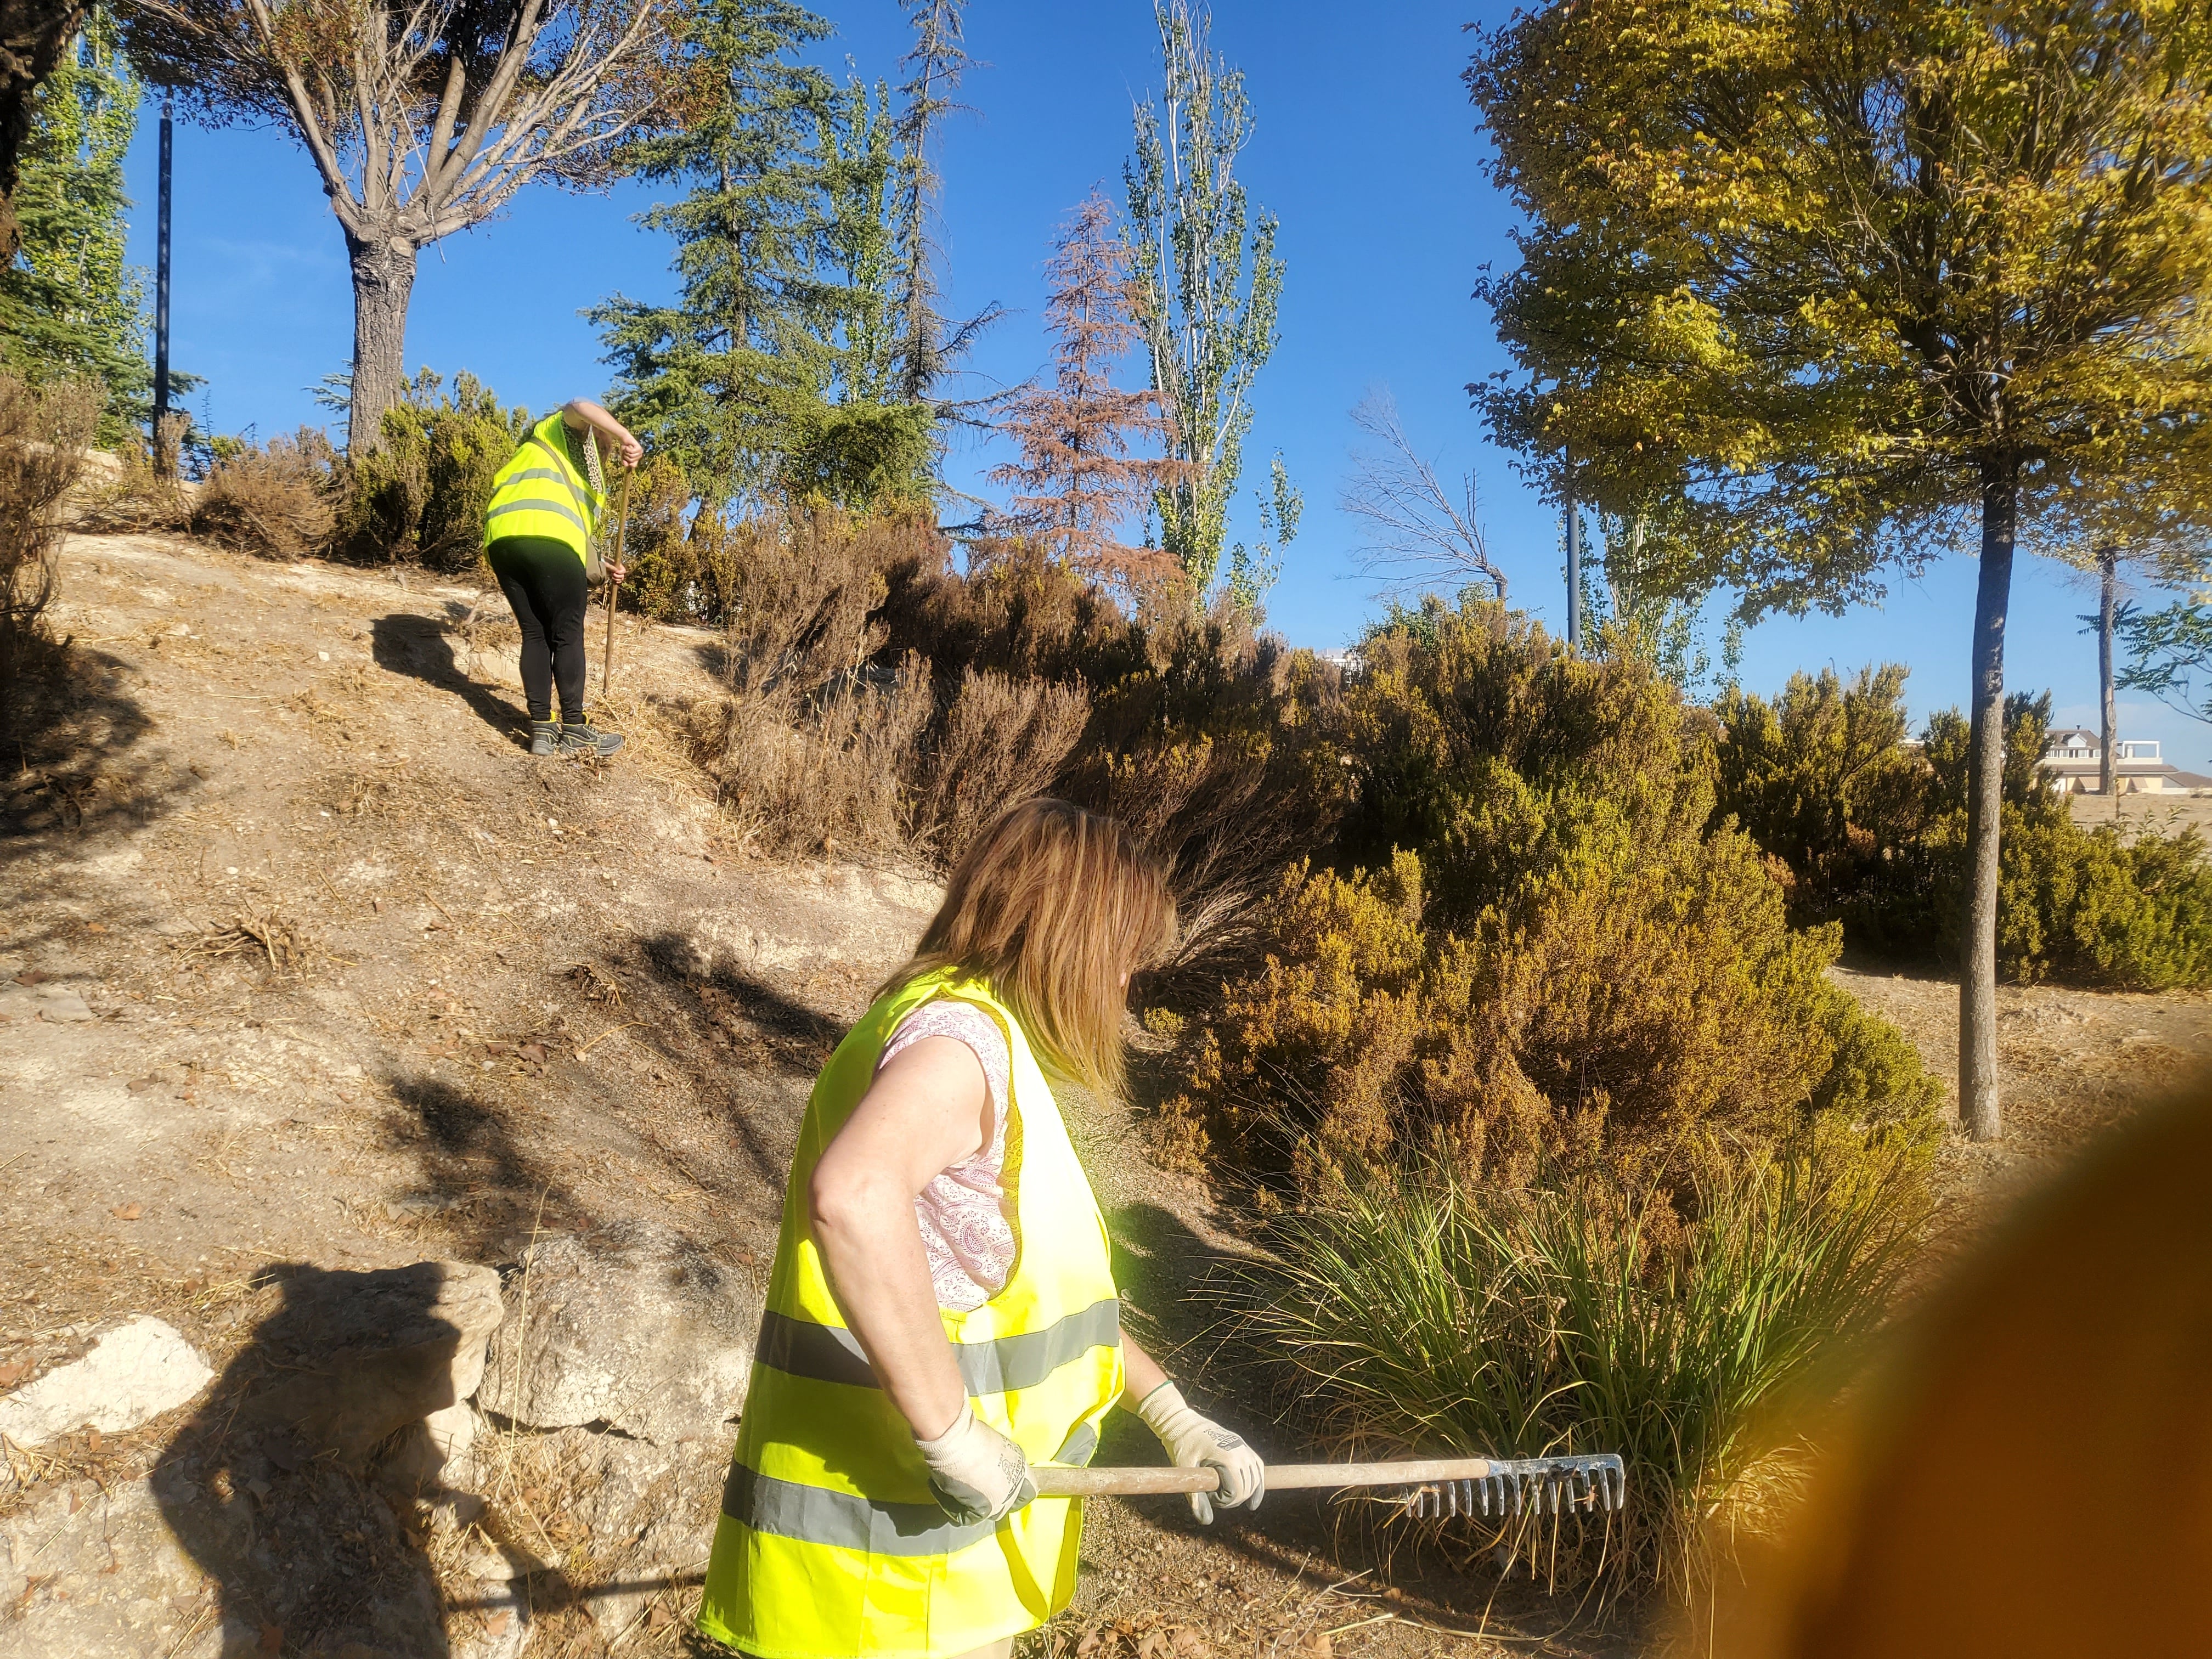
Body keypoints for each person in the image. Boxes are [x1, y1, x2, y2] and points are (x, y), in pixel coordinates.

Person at [699, 799, 1265, 1659]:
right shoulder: (961, 1048)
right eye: (1121, 958)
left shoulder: (957, 1025)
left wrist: (1173, 1412)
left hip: (927, 1566)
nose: (1124, 986)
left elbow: (1038, 1301)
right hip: (890, 1589)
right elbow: (853, 1193)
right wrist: (952, 1435)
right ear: (1067, 935)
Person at [481, 397, 642, 758]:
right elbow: (581, 404)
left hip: (504, 541)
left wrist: (604, 569)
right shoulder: (556, 432)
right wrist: (627, 434)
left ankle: (541, 730)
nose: (606, 449)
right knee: (567, 635)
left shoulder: (578, 481)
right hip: (546, 540)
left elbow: (575, 544)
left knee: (534, 633)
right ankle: (574, 730)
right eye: (606, 442)